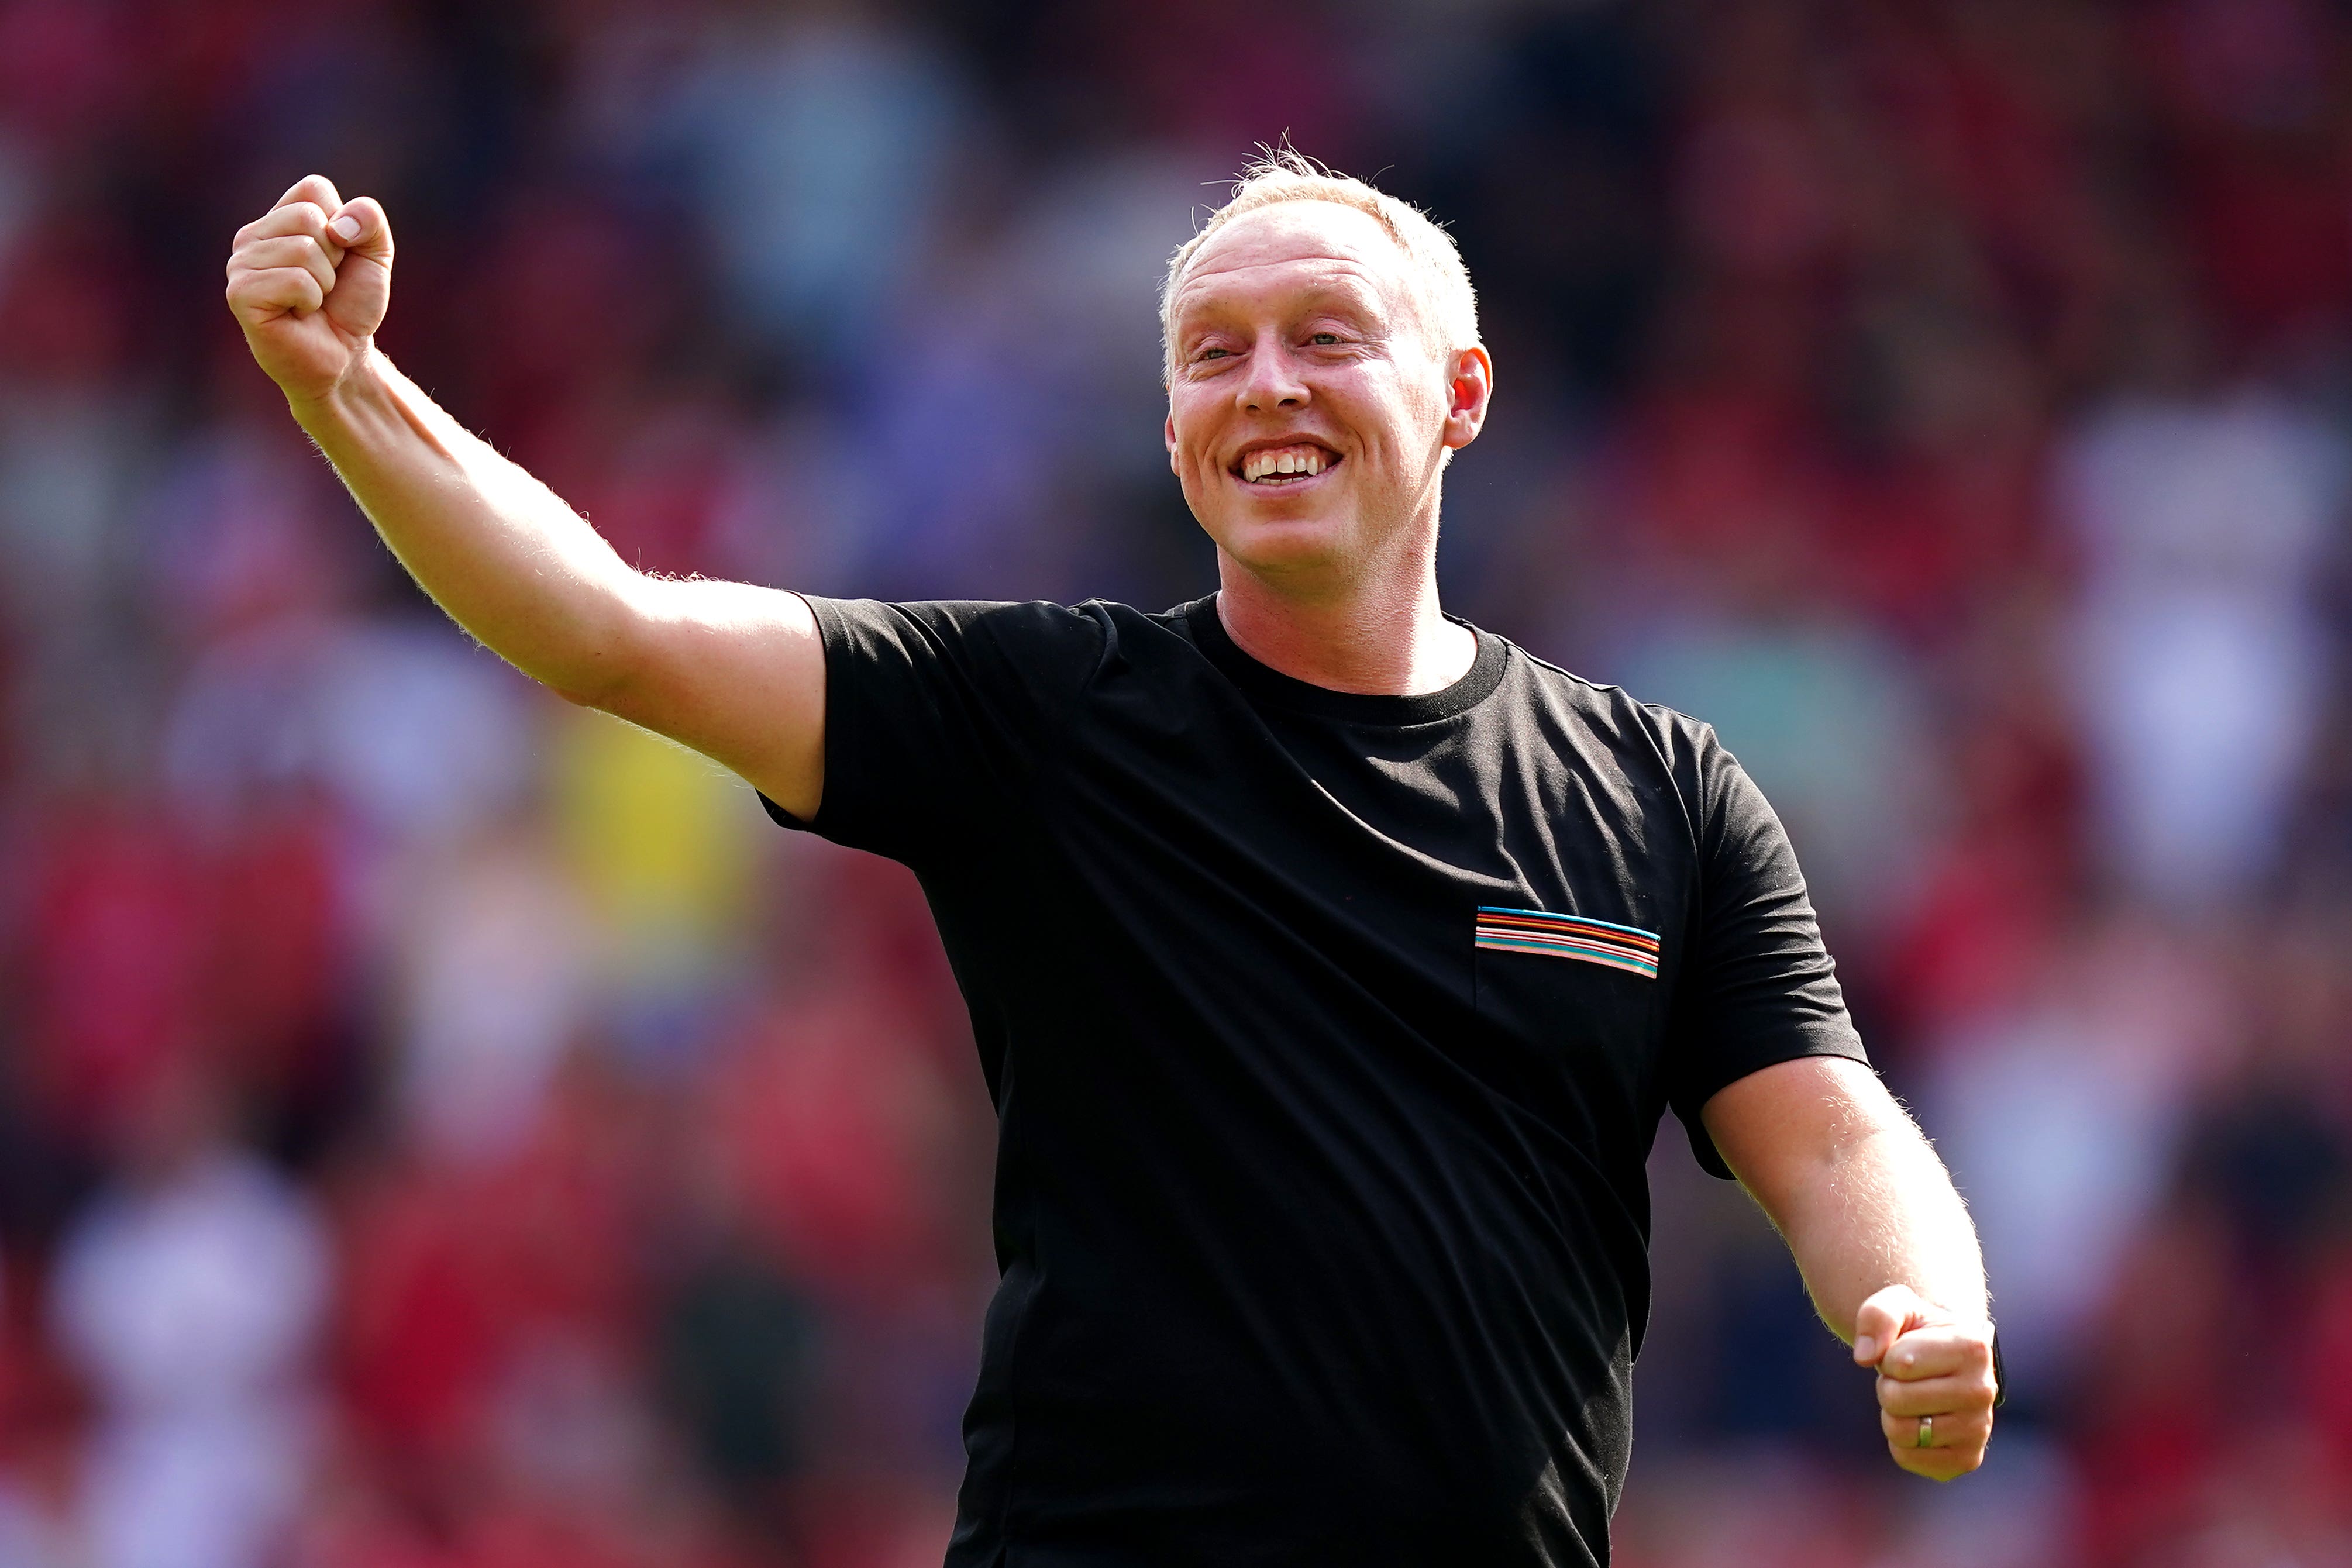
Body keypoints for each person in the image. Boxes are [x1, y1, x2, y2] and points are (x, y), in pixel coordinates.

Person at [225, 153, 1999, 1566]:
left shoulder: (1657, 789)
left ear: (1461, 392)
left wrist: (1917, 1299)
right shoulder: (1049, 713)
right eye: (1214, 354)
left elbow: (1831, 1129)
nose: (1267, 384)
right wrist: (347, 390)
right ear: (1174, 437)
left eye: (1325, 335)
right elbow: (615, 630)